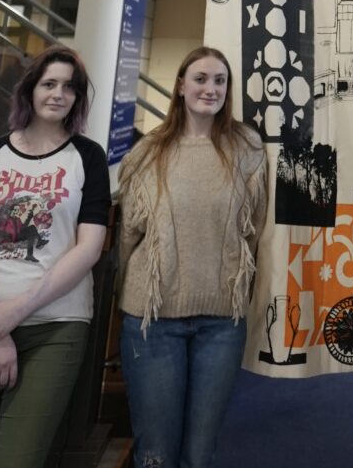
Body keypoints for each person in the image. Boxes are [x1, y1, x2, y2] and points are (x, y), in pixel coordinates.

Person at [117, 46, 267, 468]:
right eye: (200, 78)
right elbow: (128, 235)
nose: (211, 88)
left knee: (200, 455)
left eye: (220, 81)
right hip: (153, 321)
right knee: (155, 453)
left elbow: (254, 230)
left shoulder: (247, 148)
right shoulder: (147, 152)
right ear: (180, 86)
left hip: (221, 323)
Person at [0, 45, 111, 467]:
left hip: (57, 325)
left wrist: (16, 312)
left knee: (16, 459)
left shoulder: (88, 157)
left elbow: (89, 248)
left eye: (70, 87)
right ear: (30, 90)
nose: (59, 94)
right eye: (49, 84)